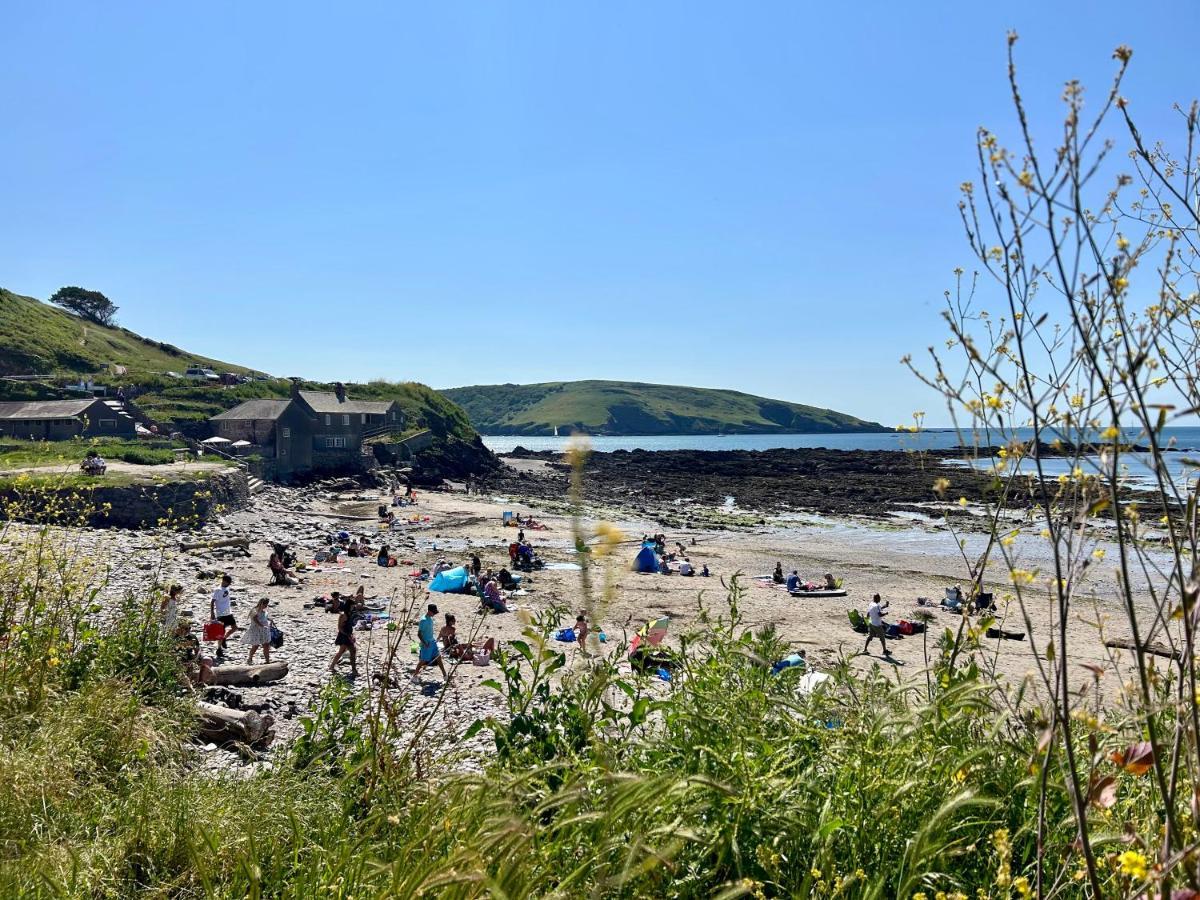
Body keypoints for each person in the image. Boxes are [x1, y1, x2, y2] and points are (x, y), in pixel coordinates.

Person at [413, 603, 448, 682]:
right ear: (429, 611)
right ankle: (414, 676)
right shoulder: (423, 620)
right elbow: (419, 634)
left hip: (432, 642)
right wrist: (425, 643)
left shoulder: (431, 619)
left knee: (438, 657)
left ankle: (445, 675)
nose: (434, 614)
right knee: (423, 660)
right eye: (433, 612)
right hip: (427, 644)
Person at [329, 594, 360, 676]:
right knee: (352, 651)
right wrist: (348, 635)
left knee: (342, 651)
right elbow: (340, 627)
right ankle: (354, 670)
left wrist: (352, 635)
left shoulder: (349, 614)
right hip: (344, 636)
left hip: (348, 635)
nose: (353, 608)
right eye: (352, 606)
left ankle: (332, 666)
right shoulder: (343, 615)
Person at [210, 574, 238, 659]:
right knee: (221, 632)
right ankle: (219, 649)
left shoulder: (227, 588)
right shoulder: (218, 590)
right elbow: (212, 601)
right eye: (228, 582)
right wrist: (212, 613)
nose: (229, 584)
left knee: (234, 628)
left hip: (228, 612)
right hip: (221, 614)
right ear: (224, 581)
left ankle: (224, 639)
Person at [243, 598, 273, 664]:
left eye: (266, 604)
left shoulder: (263, 611)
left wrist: (269, 620)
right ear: (261, 603)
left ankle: (267, 661)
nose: (266, 606)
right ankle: (250, 658)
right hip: (256, 630)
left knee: (266, 645)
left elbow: (264, 617)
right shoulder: (254, 610)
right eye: (264, 604)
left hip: (264, 630)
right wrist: (261, 625)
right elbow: (255, 619)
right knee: (255, 645)